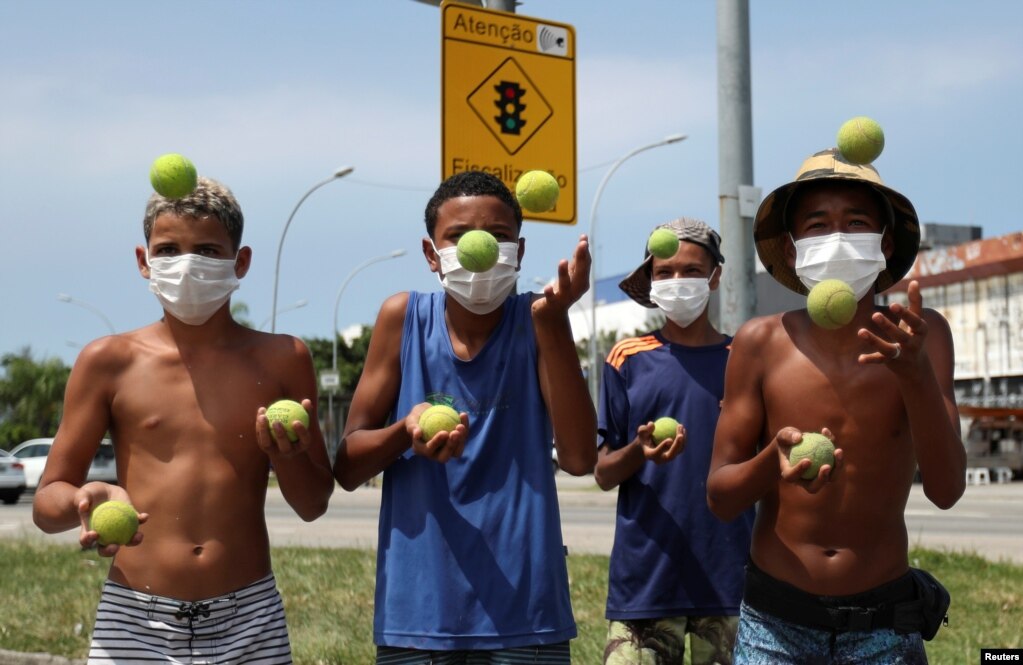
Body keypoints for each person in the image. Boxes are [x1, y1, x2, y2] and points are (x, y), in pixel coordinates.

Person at [33, 176, 335, 664]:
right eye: (168, 249)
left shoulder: (283, 359)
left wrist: (291, 457)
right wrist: (84, 500)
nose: (186, 265)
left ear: (241, 261)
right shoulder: (108, 361)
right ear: (143, 260)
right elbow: (47, 504)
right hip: (134, 618)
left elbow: (314, 503)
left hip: (249, 617)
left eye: (208, 250)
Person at [707, 148, 966, 663]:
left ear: (885, 242)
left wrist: (914, 376)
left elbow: (946, 489)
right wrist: (770, 467)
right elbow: (720, 496)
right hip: (774, 626)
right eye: (818, 225)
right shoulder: (760, 341)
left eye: (856, 223)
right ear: (792, 244)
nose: (838, 239)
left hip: (884, 626)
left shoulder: (923, 335)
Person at [333, 170, 597, 664]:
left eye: (498, 237)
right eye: (457, 236)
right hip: (418, 616)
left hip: (526, 616)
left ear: (519, 251)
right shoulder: (403, 317)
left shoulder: (538, 320)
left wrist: (554, 319)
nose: (479, 247)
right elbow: (347, 467)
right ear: (432, 254)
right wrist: (404, 433)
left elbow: (581, 458)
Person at [595, 218, 753, 665]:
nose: (677, 282)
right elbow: (604, 473)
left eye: (691, 270)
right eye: (664, 273)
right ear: (651, 280)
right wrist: (638, 451)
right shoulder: (626, 359)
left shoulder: (742, 359)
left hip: (729, 582)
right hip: (645, 582)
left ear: (715, 277)